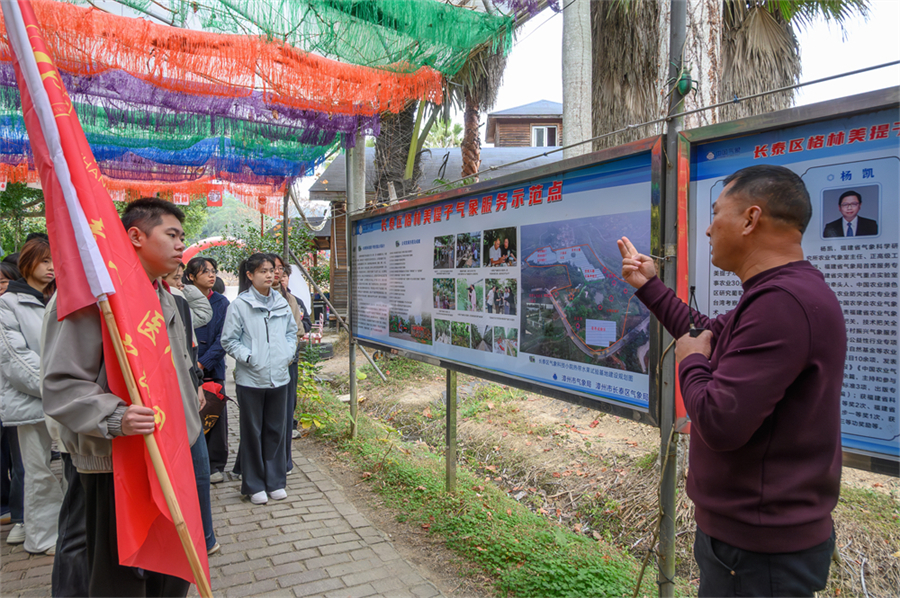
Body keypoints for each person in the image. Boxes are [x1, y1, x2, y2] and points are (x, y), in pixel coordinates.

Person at [619, 165, 845, 597]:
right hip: (752, 542)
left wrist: (690, 363)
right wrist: (649, 286)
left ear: (750, 219)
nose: (708, 229)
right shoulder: (777, 295)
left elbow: (720, 422)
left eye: (717, 212)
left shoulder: (783, 303)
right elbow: (706, 334)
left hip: (760, 554)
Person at [41, 198, 203, 597]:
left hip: (171, 454)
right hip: (116, 461)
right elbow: (62, 383)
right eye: (172, 235)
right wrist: (115, 416)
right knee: (119, 574)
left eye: (183, 236)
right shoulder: (92, 296)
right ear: (135, 235)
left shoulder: (166, 296)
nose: (182, 245)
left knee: (174, 565)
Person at [0, 238, 62, 555]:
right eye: (44, 261)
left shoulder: (58, 298)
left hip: (62, 397)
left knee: (67, 468)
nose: (52, 267)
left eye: (55, 260)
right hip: (32, 400)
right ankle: (41, 538)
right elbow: (15, 360)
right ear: (28, 263)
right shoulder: (8, 304)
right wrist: (61, 384)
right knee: (37, 472)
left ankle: (61, 532)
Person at [221, 253, 297, 505]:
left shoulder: (282, 302)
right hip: (251, 379)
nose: (269, 274)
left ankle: (275, 481)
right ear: (250, 275)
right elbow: (229, 340)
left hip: (279, 377)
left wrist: (286, 354)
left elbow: (291, 332)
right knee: (252, 433)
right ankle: (253, 485)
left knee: (276, 430)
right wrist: (250, 357)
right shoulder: (239, 305)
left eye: (272, 270)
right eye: (263, 271)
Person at [184, 257, 230, 485]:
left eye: (213, 271)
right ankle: (192, 463)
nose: (212, 275)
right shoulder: (181, 300)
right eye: (205, 272)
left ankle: (215, 464)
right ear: (191, 277)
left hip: (212, 368)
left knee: (215, 413)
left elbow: (224, 338)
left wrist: (203, 364)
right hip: (186, 368)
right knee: (192, 415)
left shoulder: (221, 302)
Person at [269, 255, 310, 474]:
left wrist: (284, 355)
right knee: (263, 417)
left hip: (287, 362)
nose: (275, 273)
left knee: (284, 412)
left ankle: (283, 461)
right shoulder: (247, 300)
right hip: (259, 368)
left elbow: (298, 330)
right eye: (270, 269)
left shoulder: (291, 299)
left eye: (279, 269)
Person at [0, 261, 25, 533]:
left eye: (4, 281)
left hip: (16, 395)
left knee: (22, 461)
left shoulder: (19, 305)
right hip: (12, 394)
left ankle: (20, 516)